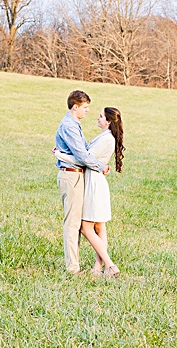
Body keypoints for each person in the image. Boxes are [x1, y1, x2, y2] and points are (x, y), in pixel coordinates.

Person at [55, 106, 124, 278]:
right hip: (95, 180)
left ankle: (109, 265)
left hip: (93, 182)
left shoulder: (106, 139)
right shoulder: (106, 136)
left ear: (108, 121)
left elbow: (84, 159)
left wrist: (60, 155)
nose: (97, 118)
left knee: (86, 228)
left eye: (101, 116)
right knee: (99, 226)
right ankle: (97, 268)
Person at [54, 90, 108, 274]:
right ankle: (72, 268)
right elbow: (81, 154)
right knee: (72, 223)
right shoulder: (69, 125)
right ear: (75, 107)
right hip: (71, 176)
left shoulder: (74, 124)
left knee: (76, 223)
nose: (87, 111)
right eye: (85, 107)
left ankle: (74, 265)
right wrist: (100, 166)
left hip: (76, 175)